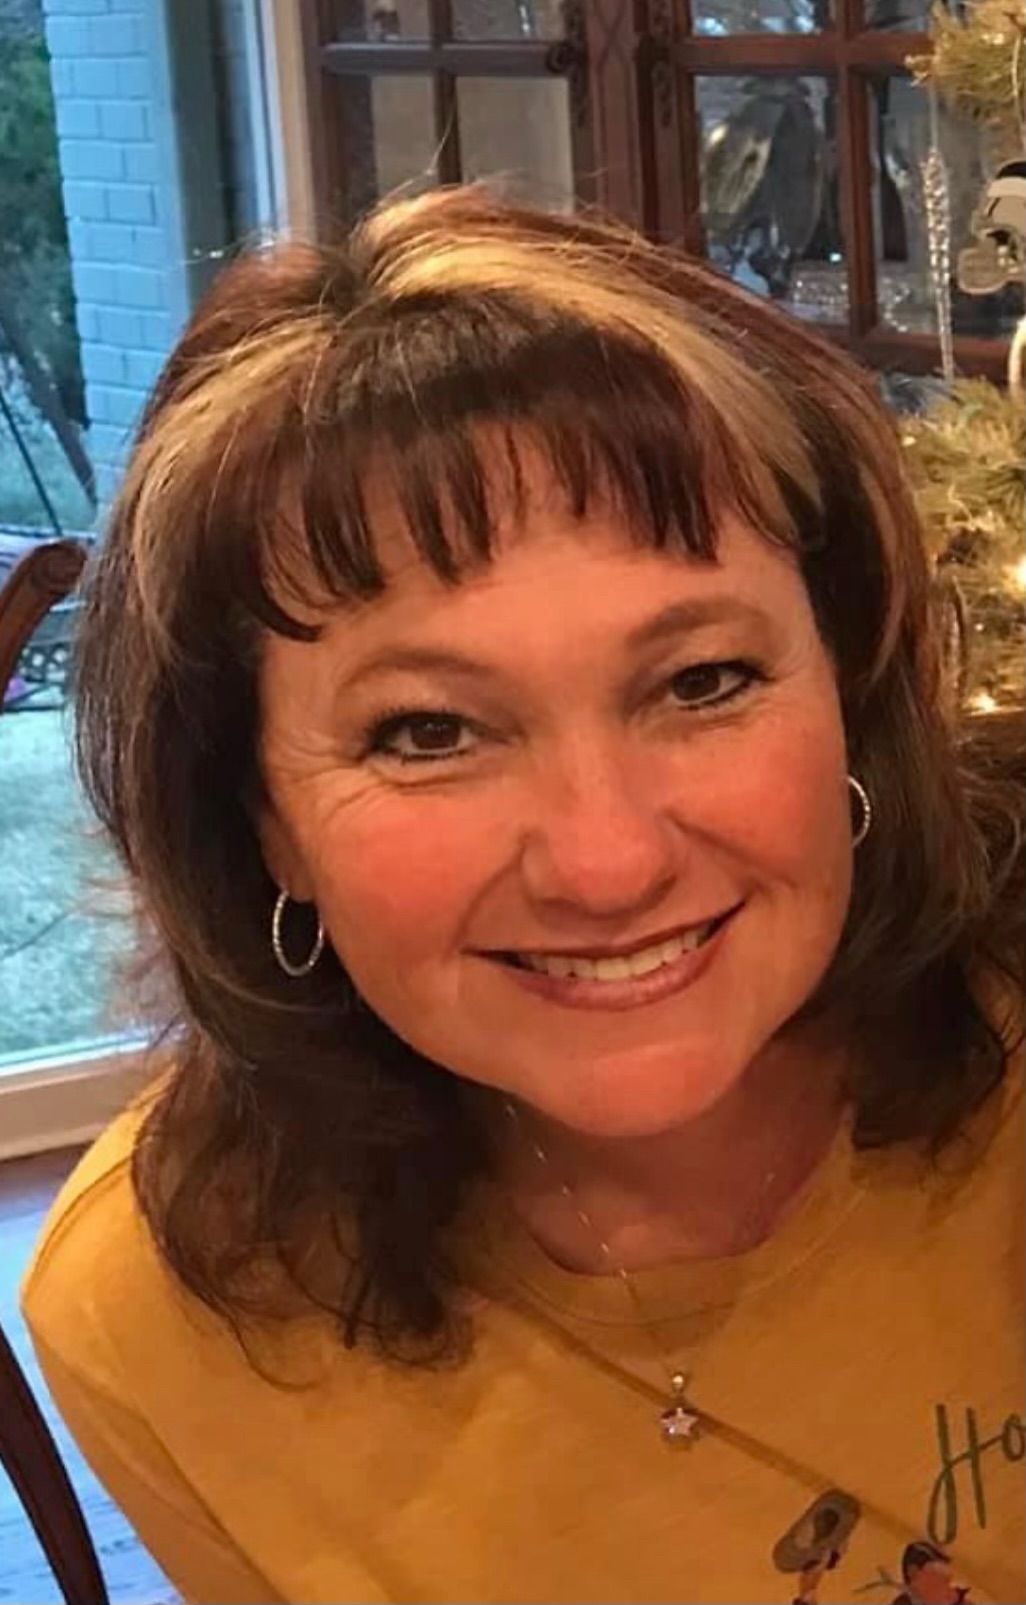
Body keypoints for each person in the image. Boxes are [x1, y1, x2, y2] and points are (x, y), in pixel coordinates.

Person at [21, 186, 1023, 1605]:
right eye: (425, 730)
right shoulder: (163, 1316)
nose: (605, 860)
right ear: (263, 825)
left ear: (850, 702)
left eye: (703, 681)